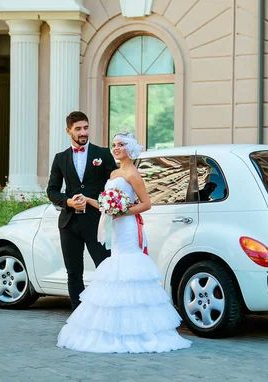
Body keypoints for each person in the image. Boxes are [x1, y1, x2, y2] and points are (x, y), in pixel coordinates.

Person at [56, 132, 192, 353]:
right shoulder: (114, 173)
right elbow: (104, 203)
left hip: (127, 227)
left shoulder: (133, 175)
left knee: (128, 271)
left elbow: (146, 204)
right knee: (115, 269)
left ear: (130, 149)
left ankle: (136, 330)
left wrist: (122, 211)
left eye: (121, 145)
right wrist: (88, 200)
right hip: (115, 227)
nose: (116, 148)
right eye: (114, 145)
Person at [46, 111, 117, 310]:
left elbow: (114, 184)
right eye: (78, 129)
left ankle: (107, 309)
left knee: (105, 267)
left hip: (96, 222)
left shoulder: (102, 154)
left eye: (86, 127)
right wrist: (68, 202)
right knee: (73, 272)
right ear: (68, 131)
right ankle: (79, 314)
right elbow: (51, 190)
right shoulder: (60, 158)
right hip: (69, 224)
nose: (83, 132)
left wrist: (101, 202)